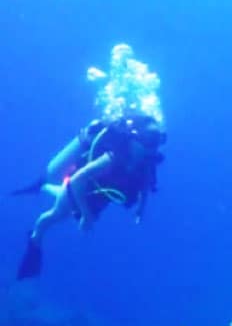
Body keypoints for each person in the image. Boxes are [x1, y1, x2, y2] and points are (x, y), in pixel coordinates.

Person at [11, 111, 167, 279]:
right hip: (80, 188)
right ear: (137, 138)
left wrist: (140, 209)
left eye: (156, 142)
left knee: (69, 208)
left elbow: (144, 185)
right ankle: (35, 239)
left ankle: (44, 187)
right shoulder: (114, 157)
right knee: (55, 216)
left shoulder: (146, 163)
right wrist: (86, 215)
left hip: (96, 195)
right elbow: (78, 179)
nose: (150, 148)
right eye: (149, 141)